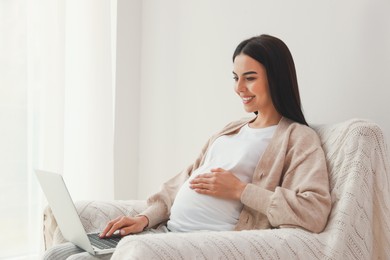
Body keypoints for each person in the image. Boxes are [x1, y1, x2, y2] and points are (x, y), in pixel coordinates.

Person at [43, 34, 331, 259]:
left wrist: (241, 191)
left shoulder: (298, 138)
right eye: (235, 77)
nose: (239, 88)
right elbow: (183, 181)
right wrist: (145, 218)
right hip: (166, 233)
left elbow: (314, 211)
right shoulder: (231, 129)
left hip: (202, 244)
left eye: (250, 78)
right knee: (57, 253)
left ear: (276, 78)